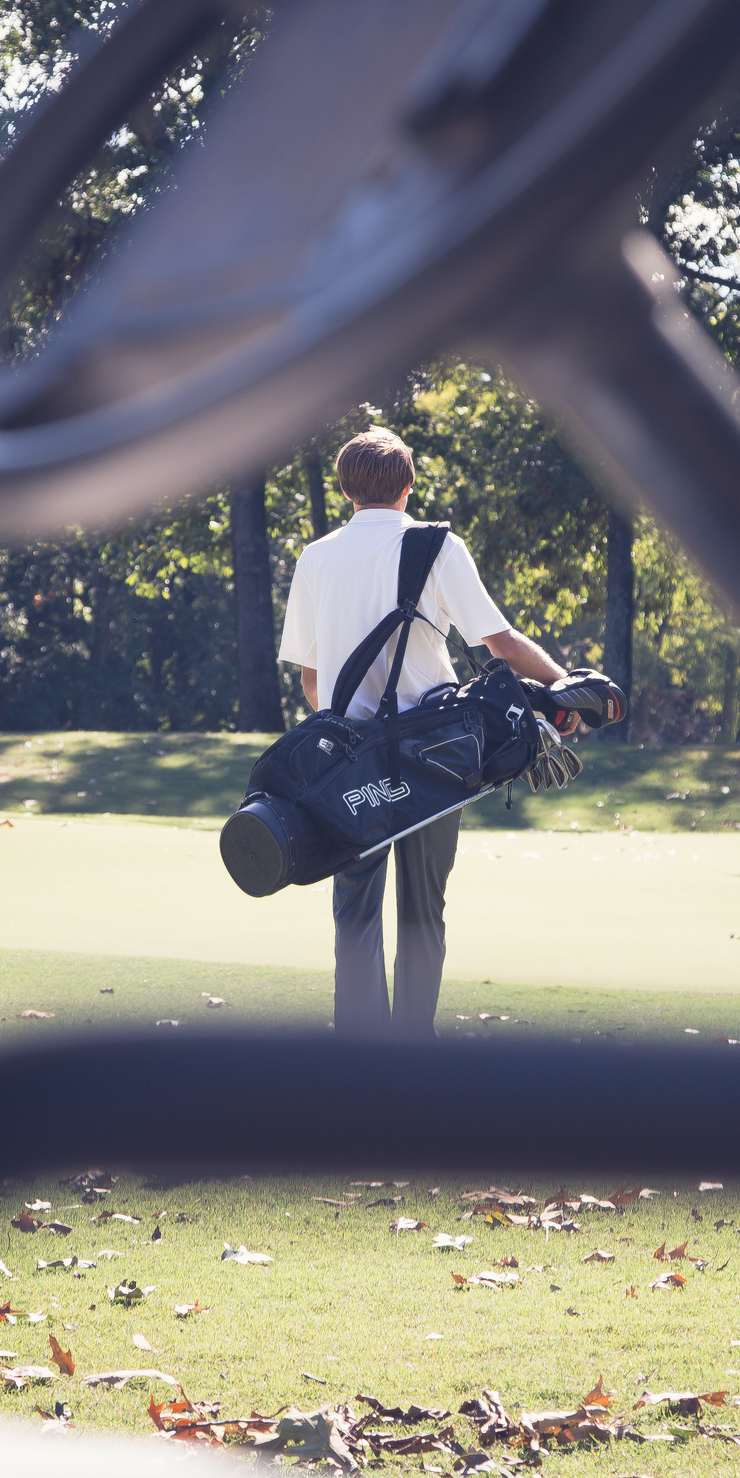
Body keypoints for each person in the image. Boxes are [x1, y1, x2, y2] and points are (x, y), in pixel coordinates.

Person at [277, 425, 581, 1039]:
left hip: (348, 764)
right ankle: (414, 1056)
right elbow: (498, 643)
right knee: (424, 912)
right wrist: (562, 680)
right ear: (409, 487)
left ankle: (361, 1058)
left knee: (355, 912)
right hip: (435, 759)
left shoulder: (315, 558)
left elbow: (312, 683)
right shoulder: (438, 547)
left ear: (345, 491)